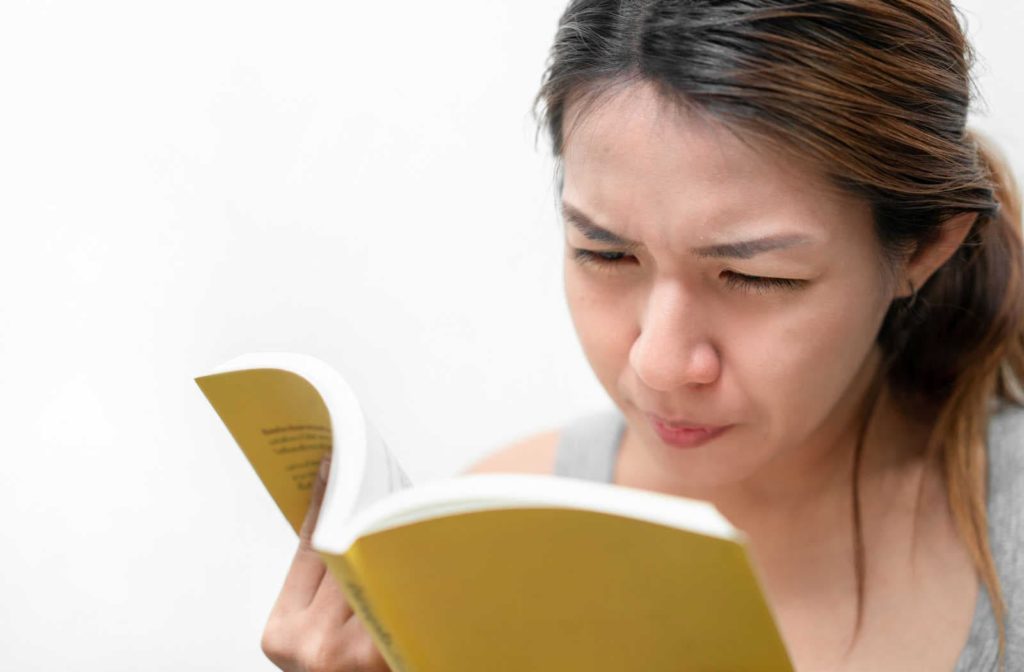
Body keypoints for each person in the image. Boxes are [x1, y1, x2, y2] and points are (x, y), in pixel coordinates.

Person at [260, 1, 1024, 670]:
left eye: (757, 278)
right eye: (605, 254)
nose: (657, 365)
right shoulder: (496, 532)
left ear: (922, 250)